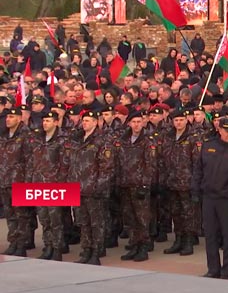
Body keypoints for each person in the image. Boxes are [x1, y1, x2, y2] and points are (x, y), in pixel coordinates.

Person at [192, 118, 228, 279]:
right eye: (227, 131)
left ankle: (226, 270)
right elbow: (198, 170)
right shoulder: (209, 145)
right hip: (209, 197)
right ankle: (213, 269)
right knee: (210, 235)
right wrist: (195, 191)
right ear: (220, 130)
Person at [65, 111, 115, 265]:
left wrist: (99, 187)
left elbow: (106, 168)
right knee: (83, 222)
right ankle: (86, 250)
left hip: (93, 189)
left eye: (88, 120)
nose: (84, 123)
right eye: (83, 120)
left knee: (96, 223)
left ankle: (96, 251)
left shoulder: (102, 141)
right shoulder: (78, 140)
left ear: (96, 122)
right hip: (78, 188)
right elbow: (71, 164)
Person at [114, 111, 158, 262]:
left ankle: (143, 247)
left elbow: (150, 165)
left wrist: (145, 185)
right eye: (134, 122)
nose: (137, 124)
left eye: (139, 121)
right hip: (126, 184)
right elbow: (119, 162)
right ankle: (133, 245)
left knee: (142, 218)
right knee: (130, 218)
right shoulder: (123, 140)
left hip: (140, 185)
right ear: (129, 123)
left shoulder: (148, 140)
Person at [28, 112, 68, 261]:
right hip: (38, 183)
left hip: (54, 184)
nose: (45, 123)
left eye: (48, 120)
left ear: (56, 122)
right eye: (44, 120)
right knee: (44, 219)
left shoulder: (61, 140)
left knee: (55, 219)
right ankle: (48, 245)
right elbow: (32, 161)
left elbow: (65, 164)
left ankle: (57, 248)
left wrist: (61, 183)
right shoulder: (38, 139)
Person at [160, 109, 201, 256]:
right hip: (172, 180)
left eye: (181, 120)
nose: (178, 122)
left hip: (187, 181)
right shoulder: (169, 137)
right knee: (175, 213)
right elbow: (163, 158)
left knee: (188, 213)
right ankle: (178, 240)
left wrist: (195, 181)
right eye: (176, 120)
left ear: (186, 120)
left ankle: (188, 241)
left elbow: (197, 162)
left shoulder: (193, 137)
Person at [0, 108, 33, 256]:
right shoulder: (4, 136)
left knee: (22, 215)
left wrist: (27, 182)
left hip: (19, 181)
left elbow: (30, 161)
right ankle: (13, 241)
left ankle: (22, 244)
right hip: (5, 181)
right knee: (10, 214)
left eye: (12, 117)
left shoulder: (26, 135)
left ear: (19, 118)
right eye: (7, 117)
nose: (8, 119)